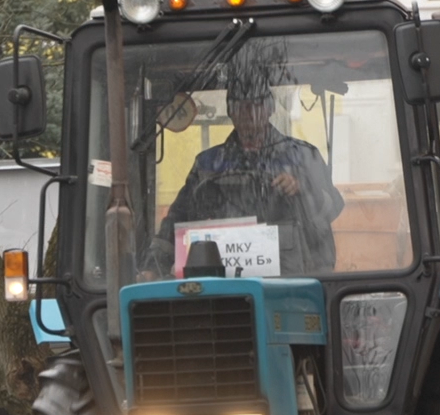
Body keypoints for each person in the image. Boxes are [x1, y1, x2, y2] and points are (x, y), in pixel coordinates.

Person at [146, 78, 344, 278]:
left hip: (293, 278)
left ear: (270, 109)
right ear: (230, 112)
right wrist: (152, 267)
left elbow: (333, 207)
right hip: (220, 279)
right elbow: (178, 216)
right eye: (239, 106)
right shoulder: (208, 163)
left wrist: (302, 188)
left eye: (256, 105)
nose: (248, 113)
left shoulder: (303, 156)